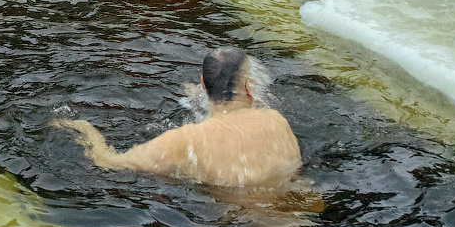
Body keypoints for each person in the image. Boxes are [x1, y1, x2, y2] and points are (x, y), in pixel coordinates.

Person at [56, 46, 301, 187]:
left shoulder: (183, 141)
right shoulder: (277, 121)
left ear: (204, 87)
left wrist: (83, 129)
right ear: (250, 87)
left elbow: (108, 162)